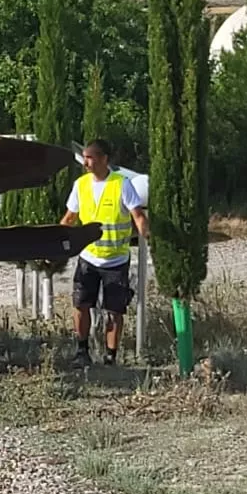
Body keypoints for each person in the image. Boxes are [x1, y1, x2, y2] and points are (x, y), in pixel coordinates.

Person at [58, 139, 150, 366]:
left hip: (116, 260)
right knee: (81, 305)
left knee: (114, 310)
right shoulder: (80, 185)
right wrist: (55, 242)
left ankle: (111, 356)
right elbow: (70, 218)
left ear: (104, 158)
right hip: (88, 257)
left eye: (91, 157)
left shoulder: (122, 184)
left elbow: (137, 215)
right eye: (85, 157)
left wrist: (148, 238)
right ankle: (82, 351)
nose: (86, 162)